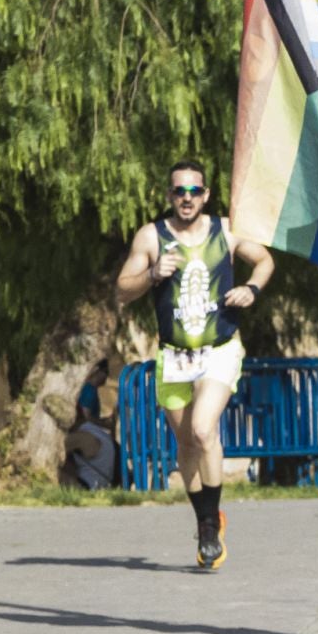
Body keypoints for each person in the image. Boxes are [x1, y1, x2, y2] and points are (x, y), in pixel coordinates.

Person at [114, 160, 274, 569]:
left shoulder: (226, 229)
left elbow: (265, 260)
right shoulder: (152, 236)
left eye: (194, 192)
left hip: (220, 347)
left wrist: (251, 289)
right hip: (173, 355)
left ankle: (208, 525)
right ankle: (207, 520)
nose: (186, 199)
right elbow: (121, 290)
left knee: (204, 429)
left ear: (205, 195)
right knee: (186, 443)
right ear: (170, 196)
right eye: (179, 192)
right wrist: (152, 274)